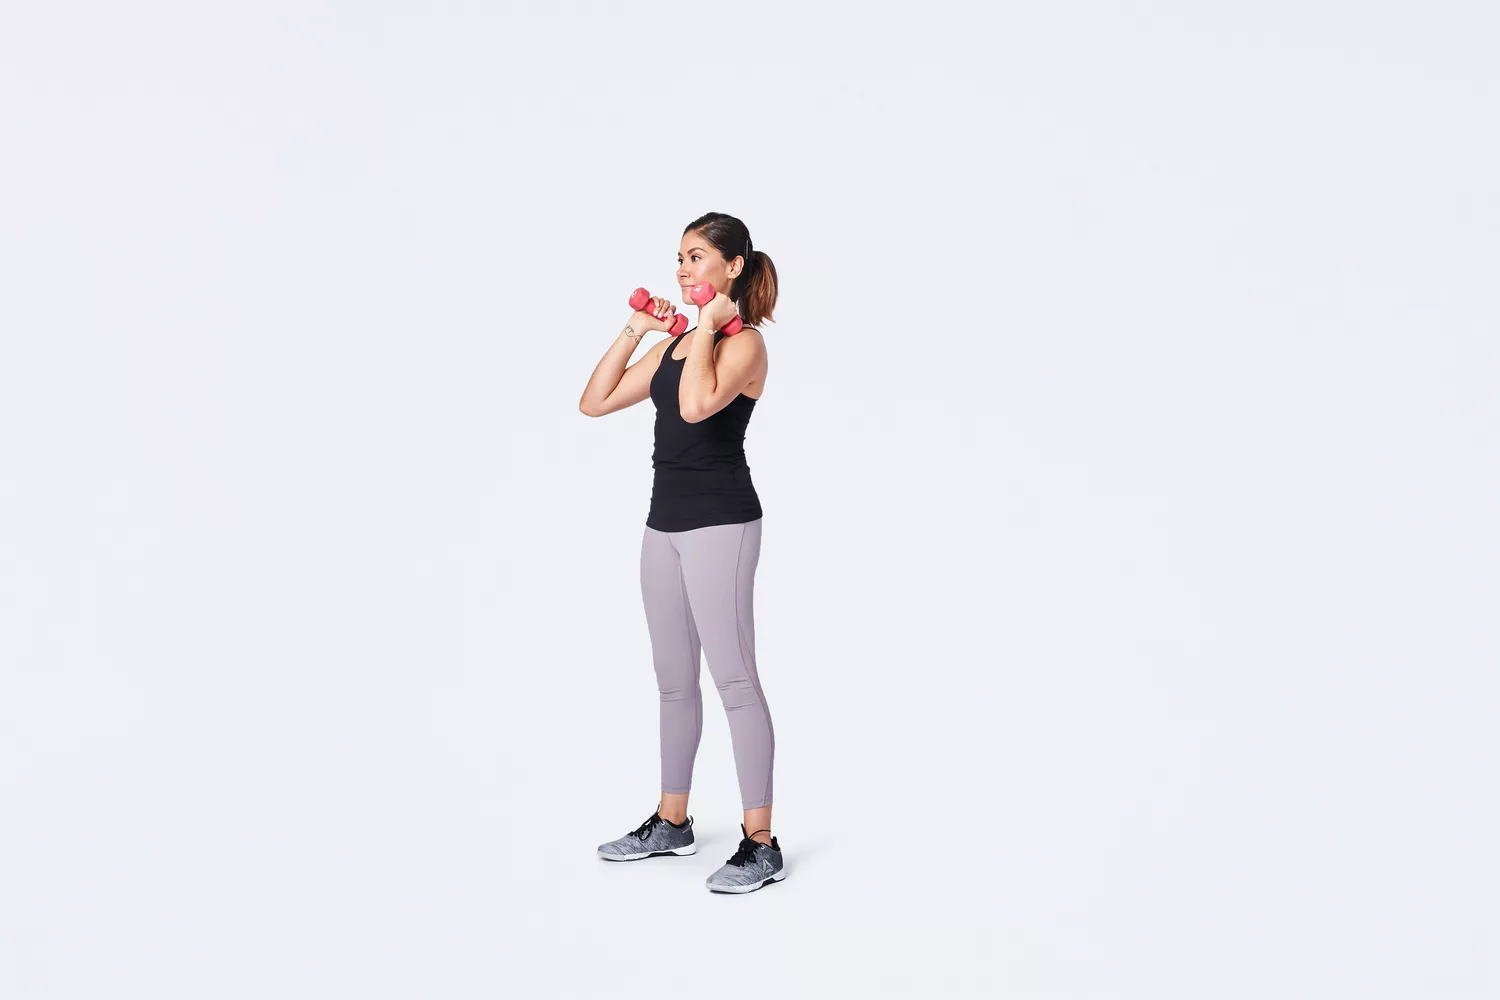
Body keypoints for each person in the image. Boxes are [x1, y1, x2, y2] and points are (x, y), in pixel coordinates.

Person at [578, 212, 784, 893]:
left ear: (733, 267)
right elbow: (595, 401)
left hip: (723, 523)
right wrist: (638, 328)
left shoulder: (745, 345)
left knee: (735, 680)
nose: (682, 268)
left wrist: (705, 326)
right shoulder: (680, 345)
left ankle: (761, 844)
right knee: (672, 680)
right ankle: (673, 822)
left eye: (696, 256)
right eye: (680, 257)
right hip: (662, 525)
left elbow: (695, 408)